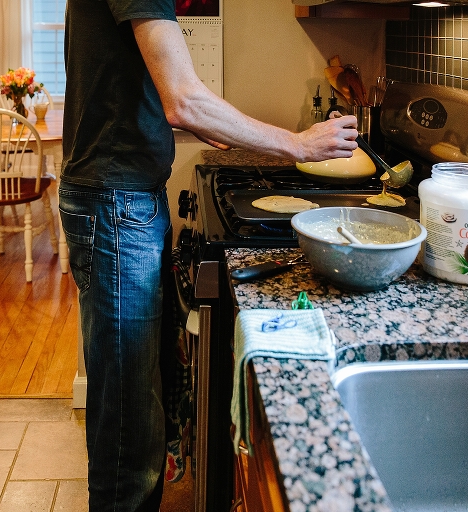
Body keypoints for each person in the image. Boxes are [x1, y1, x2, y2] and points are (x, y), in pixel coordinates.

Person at [58, 1, 358, 510]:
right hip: (116, 207)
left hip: (118, 200)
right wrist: (298, 143)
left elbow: (140, 81)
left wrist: (201, 121)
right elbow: (183, 100)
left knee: (133, 409)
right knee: (129, 427)